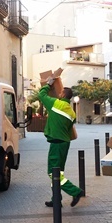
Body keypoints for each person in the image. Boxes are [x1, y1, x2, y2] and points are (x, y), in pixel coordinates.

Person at [38, 78, 83, 207]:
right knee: (59, 172)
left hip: (57, 144)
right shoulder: (71, 112)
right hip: (65, 143)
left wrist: (48, 84)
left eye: (61, 92)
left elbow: (41, 94)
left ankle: (75, 191)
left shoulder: (55, 104)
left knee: (52, 172)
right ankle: (56, 199)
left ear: (62, 94)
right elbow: (70, 129)